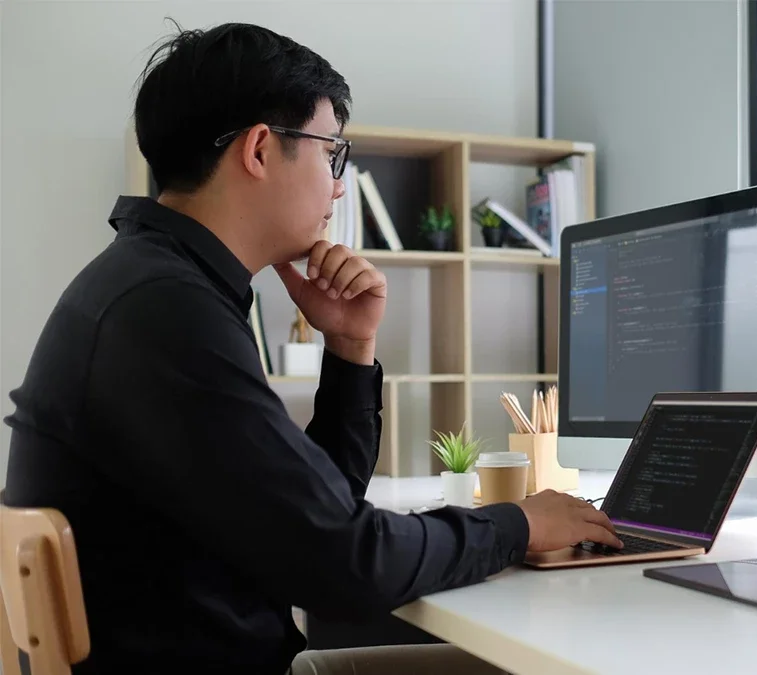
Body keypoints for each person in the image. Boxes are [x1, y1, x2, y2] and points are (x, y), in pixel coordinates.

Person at [2, 21, 622, 675]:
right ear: (261, 149)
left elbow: (320, 514)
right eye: (332, 153)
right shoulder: (165, 311)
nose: (337, 185)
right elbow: (346, 565)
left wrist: (350, 347)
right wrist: (520, 524)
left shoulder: (152, 285)